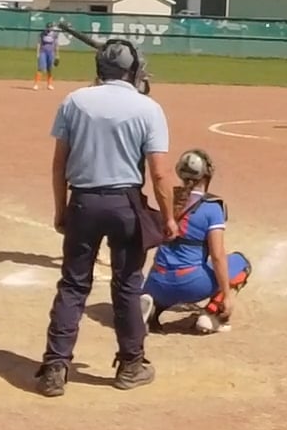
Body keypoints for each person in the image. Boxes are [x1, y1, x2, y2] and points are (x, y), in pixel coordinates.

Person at [36, 39, 176, 397]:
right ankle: (131, 365)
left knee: (73, 285)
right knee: (127, 285)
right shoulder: (148, 108)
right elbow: (159, 174)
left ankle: (55, 367)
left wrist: (61, 209)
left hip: (83, 202)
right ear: (132, 70)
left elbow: (59, 164)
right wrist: (169, 218)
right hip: (125, 204)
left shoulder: (75, 101)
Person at [141, 148, 251, 334]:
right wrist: (226, 295)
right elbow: (217, 256)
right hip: (190, 283)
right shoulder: (212, 207)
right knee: (241, 262)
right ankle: (211, 315)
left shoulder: (170, 199)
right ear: (207, 175)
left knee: (167, 274)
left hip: (156, 281)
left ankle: (153, 307)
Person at [33, 24, 61, 90]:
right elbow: (39, 43)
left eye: (50, 27)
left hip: (51, 53)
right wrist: (38, 53)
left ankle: (49, 84)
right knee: (40, 68)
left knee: (50, 69)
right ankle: (36, 84)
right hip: (43, 52)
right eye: (48, 27)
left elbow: (56, 45)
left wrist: (57, 55)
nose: (49, 28)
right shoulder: (42, 34)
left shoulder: (54, 34)